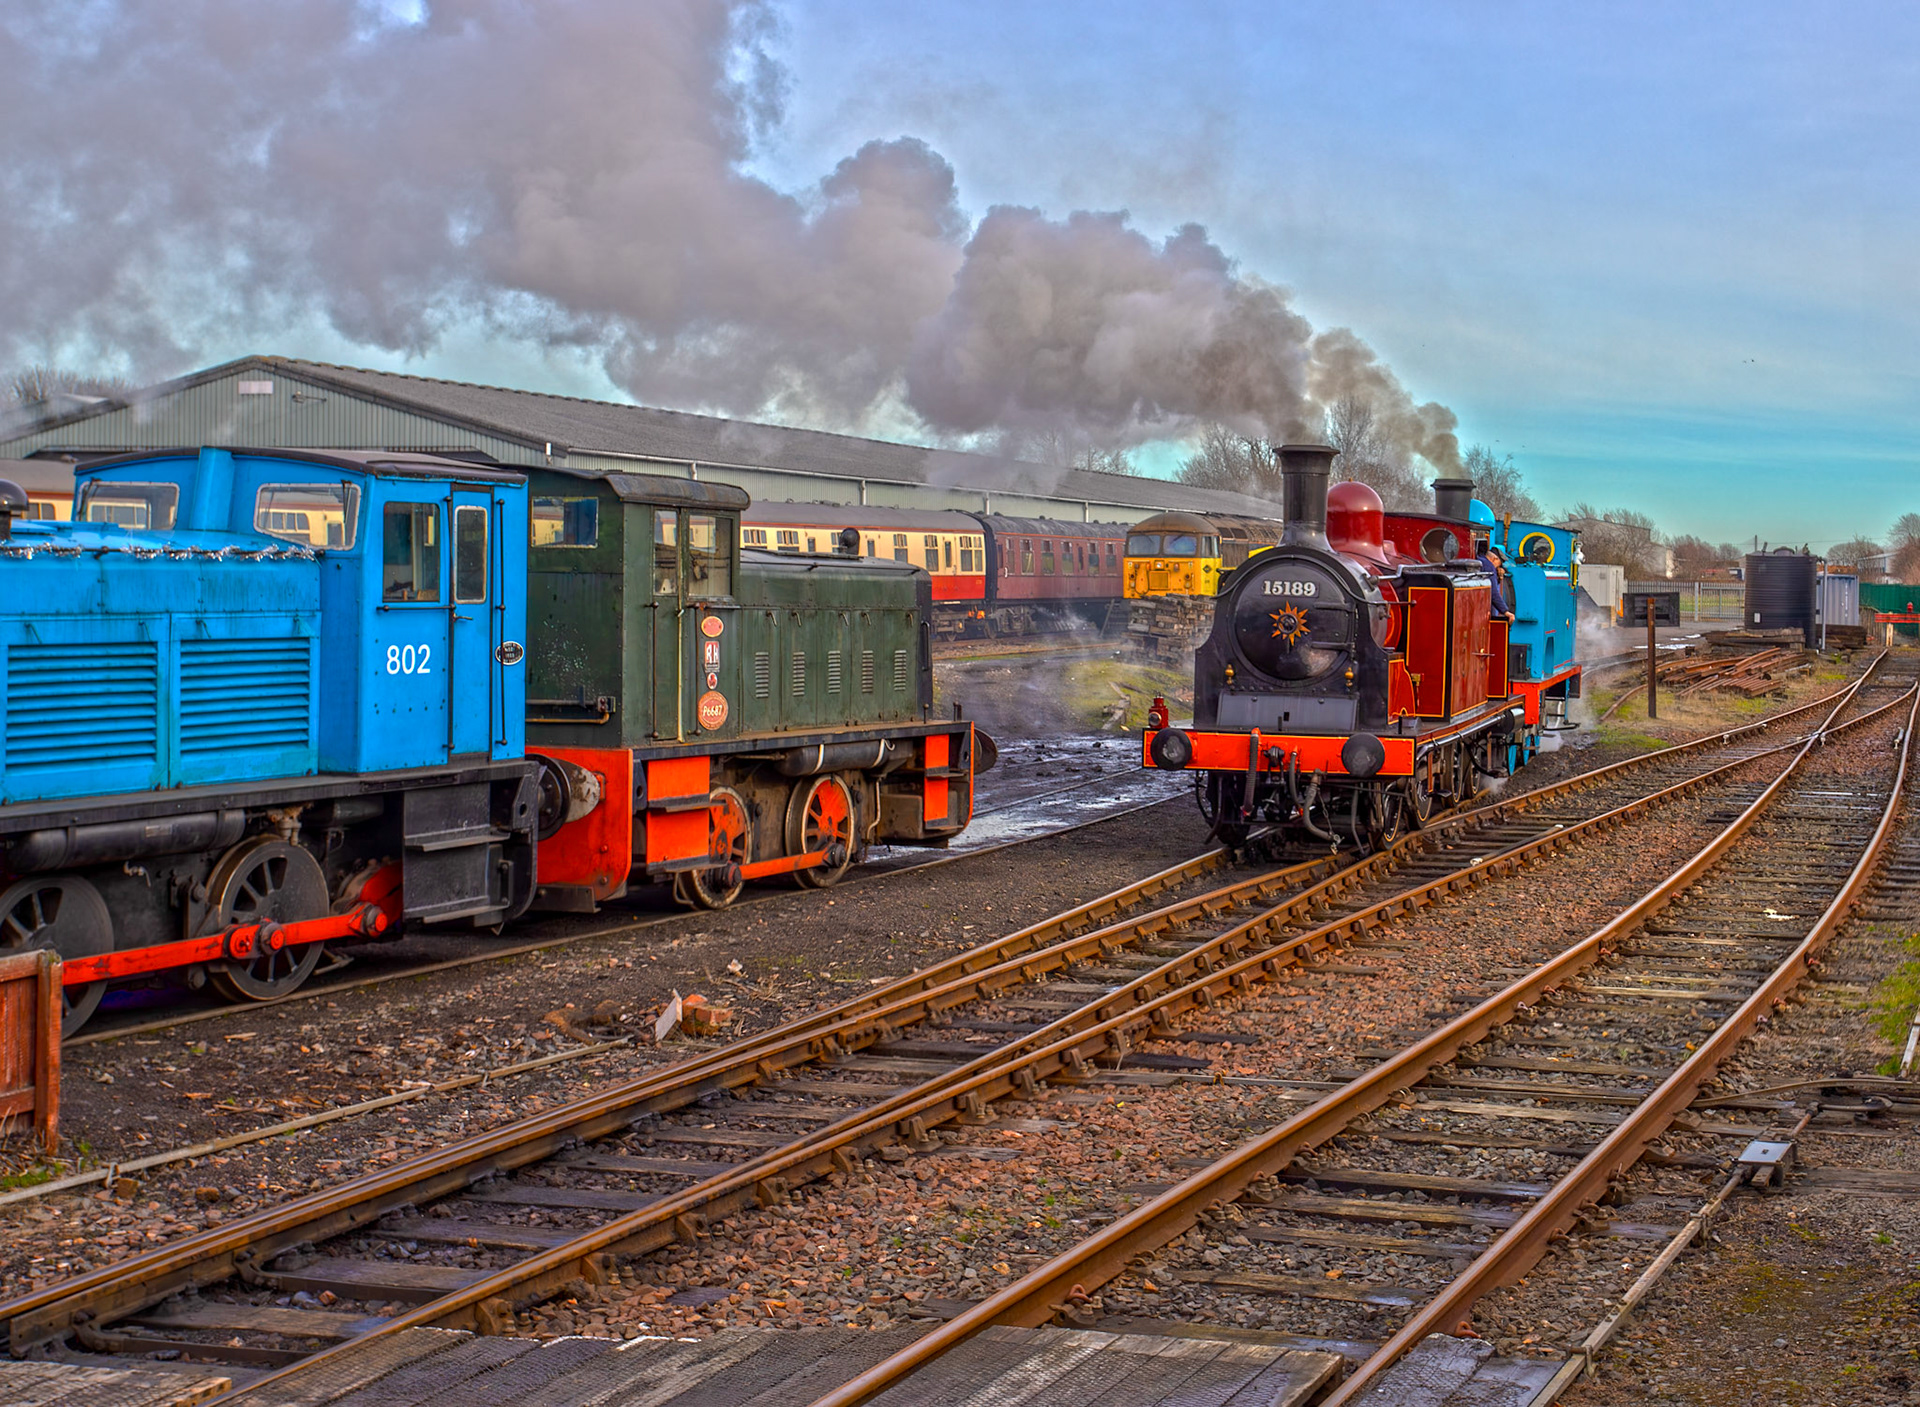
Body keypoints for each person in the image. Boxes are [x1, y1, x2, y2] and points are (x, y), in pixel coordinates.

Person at [1475, 539, 1515, 621]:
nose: (1497, 568)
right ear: (1494, 559)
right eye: (1499, 564)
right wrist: (1505, 611)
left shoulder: (1479, 560)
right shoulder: (1489, 566)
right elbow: (1493, 592)